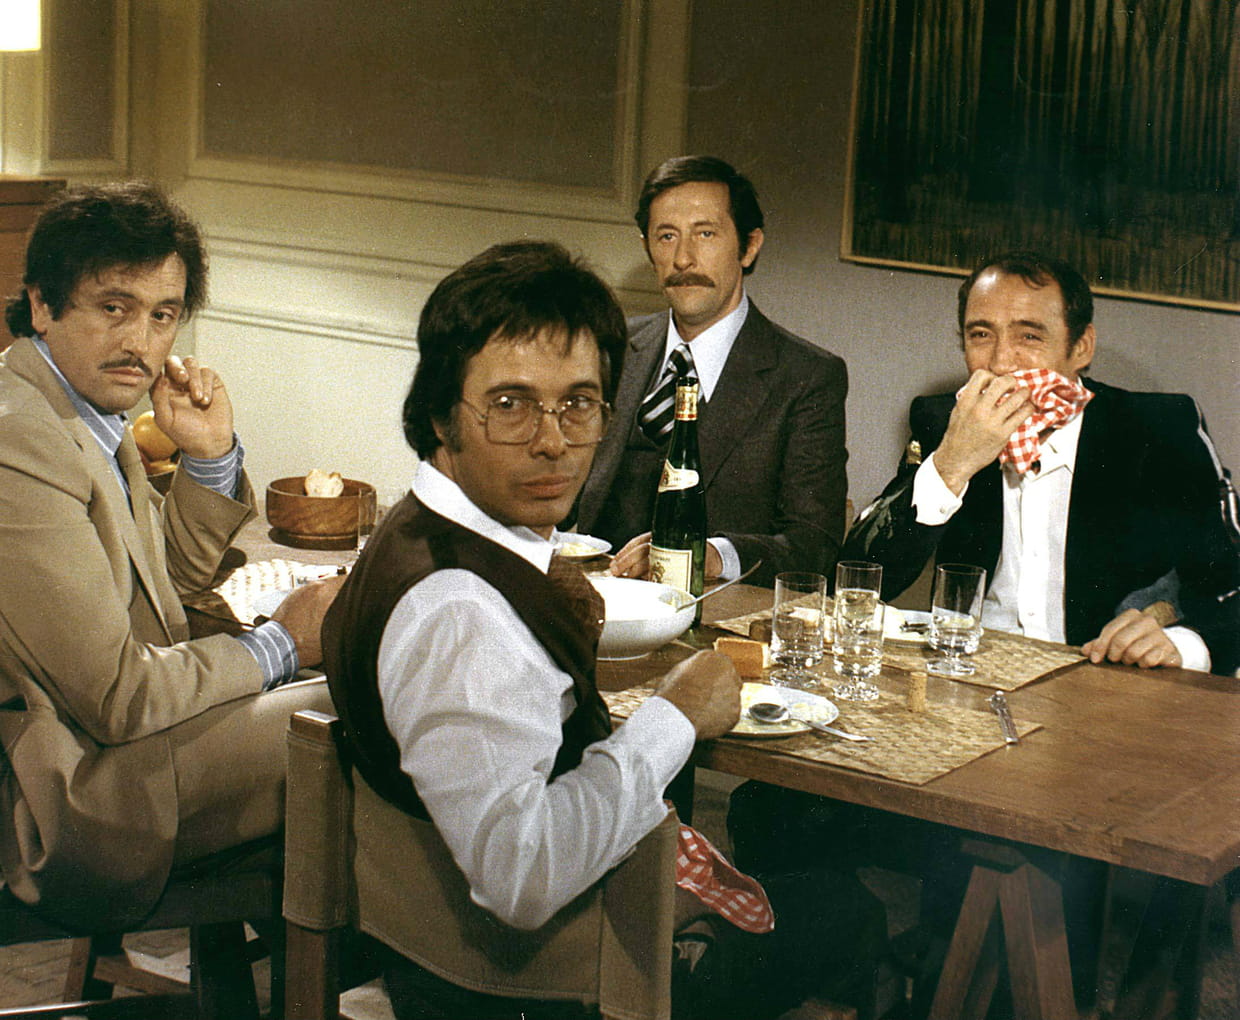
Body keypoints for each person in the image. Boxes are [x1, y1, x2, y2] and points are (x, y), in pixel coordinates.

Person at [323, 241, 887, 1019]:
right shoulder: (461, 610)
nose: (553, 440)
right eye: (511, 404)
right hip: (546, 986)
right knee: (850, 915)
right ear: (438, 416)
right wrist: (674, 717)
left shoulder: (412, 532)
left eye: (579, 404)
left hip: (446, 953)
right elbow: (523, 878)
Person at [0, 181, 341, 928]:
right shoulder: (17, 438)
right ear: (42, 305)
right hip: (60, 802)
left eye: (162, 315)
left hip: (110, 745)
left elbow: (159, 594)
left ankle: (340, 947)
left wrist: (209, 457)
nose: (141, 342)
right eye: (113, 307)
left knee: (349, 698)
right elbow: (121, 694)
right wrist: (284, 643)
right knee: (352, 707)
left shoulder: (76, 410)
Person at [842, 250, 1239, 674]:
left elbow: (1231, 584)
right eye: (981, 334)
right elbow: (856, 578)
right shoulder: (943, 422)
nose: (1001, 362)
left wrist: (1183, 643)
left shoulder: (1158, 429)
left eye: (1029, 336)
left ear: (1081, 347)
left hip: (1103, 679)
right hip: (971, 673)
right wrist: (951, 465)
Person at [572, 156, 848, 588]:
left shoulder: (807, 377)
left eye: (705, 234)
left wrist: (712, 555)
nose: (683, 259)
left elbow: (813, 545)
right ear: (648, 248)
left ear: (749, 246)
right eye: (667, 236)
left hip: (714, 612)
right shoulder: (610, 346)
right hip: (594, 600)